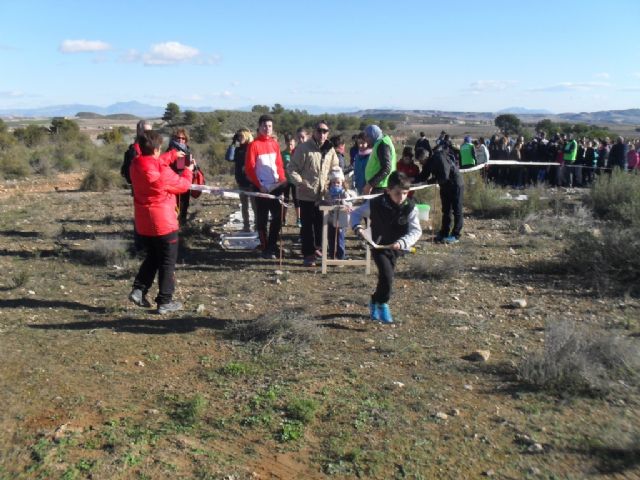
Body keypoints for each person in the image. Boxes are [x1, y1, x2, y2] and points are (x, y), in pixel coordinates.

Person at [128, 131, 193, 314]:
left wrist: (172, 155)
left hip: (144, 222)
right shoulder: (161, 171)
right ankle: (165, 301)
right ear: (157, 149)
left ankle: (139, 290)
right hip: (164, 222)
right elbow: (183, 185)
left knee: (153, 257)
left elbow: (154, 163)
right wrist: (188, 169)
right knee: (167, 262)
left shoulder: (136, 164)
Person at [351, 171, 422, 324]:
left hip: (397, 247)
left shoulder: (410, 207)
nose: (401, 197)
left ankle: (375, 300)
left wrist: (403, 243)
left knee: (386, 277)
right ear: (388, 190)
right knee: (387, 275)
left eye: (405, 193)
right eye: (397, 193)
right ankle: (383, 304)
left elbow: (416, 230)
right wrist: (358, 228)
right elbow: (355, 214)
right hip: (378, 245)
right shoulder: (375, 203)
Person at [288, 120, 340, 267]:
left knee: (321, 225)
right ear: (314, 132)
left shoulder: (330, 149)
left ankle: (318, 249)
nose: (322, 133)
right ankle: (308, 254)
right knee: (307, 226)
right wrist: (300, 183)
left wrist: (336, 181)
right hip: (306, 194)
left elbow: (335, 167)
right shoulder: (303, 148)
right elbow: (292, 168)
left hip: (324, 195)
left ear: (328, 133)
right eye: (319, 130)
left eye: (325, 131)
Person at [244, 114, 287, 259]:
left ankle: (272, 245)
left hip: (275, 187)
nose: (267, 128)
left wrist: (282, 179)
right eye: (264, 126)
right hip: (261, 188)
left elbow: (279, 164)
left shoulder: (274, 144)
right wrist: (259, 185)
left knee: (277, 218)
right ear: (259, 127)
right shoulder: (254, 145)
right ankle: (265, 247)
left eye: (269, 126)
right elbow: (250, 169)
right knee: (262, 219)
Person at [417, 142, 464, 244]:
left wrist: (430, 181)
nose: (420, 163)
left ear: (425, 157)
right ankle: (444, 233)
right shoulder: (428, 163)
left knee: (457, 210)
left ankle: (456, 235)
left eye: (421, 161)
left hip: (456, 184)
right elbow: (423, 176)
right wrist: (411, 181)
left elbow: (444, 176)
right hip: (445, 186)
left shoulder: (439, 157)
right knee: (446, 210)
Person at [225, 128, 256, 232]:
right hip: (241, 181)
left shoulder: (251, 147)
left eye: (241, 136)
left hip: (251, 182)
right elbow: (229, 158)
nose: (239, 138)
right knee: (244, 206)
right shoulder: (238, 149)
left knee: (255, 207)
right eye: (238, 136)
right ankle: (246, 226)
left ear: (247, 136)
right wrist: (233, 143)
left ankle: (257, 227)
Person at [322, 166, 354, 260]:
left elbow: (350, 202)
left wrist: (345, 204)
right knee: (331, 237)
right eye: (334, 183)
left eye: (338, 182)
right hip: (330, 218)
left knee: (340, 237)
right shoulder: (328, 193)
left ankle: (341, 256)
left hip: (341, 218)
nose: (336, 184)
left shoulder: (344, 193)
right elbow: (325, 201)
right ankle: (332, 255)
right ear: (330, 183)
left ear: (342, 183)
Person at [166, 128, 195, 226]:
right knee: (176, 206)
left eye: (183, 138)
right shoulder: (171, 150)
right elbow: (174, 167)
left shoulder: (187, 150)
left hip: (185, 181)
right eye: (178, 138)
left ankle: (182, 225)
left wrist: (193, 165)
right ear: (174, 138)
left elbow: (186, 167)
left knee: (184, 204)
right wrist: (182, 163)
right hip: (174, 182)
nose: (181, 140)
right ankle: (175, 227)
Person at [363, 124, 397, 194]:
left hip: (381, 187)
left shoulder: (382, 145)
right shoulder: (380, 143)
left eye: (367, 136)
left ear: (373, 135)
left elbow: (386, 168)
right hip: (379, 185)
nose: (365, 139)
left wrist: (370, 184)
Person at [281, 133, 301, 227]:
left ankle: (299, 219)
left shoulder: (297, 153)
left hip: (295, 180)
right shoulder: (282, 154)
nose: (290, 146)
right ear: (286, 143)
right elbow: (280, 166)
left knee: (297, 200)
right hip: (285, 180)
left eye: (292, 144)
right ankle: (283, 219)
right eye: (289, 144)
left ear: (294, 143)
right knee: (285, 200)